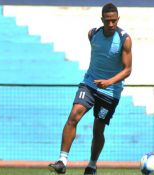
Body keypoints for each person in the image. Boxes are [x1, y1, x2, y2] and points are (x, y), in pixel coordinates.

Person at [48, 3, 132, 175]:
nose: (110, 24)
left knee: (98, 130)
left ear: (118, 19)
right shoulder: (92, 34)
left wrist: (109, 82)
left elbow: (127, 69)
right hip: (90, 84)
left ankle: (92, 165)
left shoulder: (125, 39)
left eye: (114, 21)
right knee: (74, 115)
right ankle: (62, 160)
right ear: (102, 19)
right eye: (107, 21)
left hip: (110, 91)